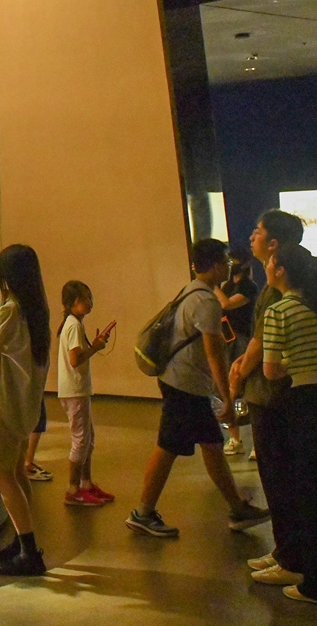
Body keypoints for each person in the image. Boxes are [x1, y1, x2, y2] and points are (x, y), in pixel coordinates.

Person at [125, 238, 270, 538]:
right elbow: (214, 354)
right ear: (217, 265)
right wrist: (227, 396)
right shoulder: (205, 302)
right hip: (186, 386)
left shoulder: (190, 291)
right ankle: (143, 512)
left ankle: (236, 507)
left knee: (211, 446)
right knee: (168, 447)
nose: (228, 268)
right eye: (225, 262)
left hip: (180, 382)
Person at [230, 210, 306, 582]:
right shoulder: (276, 288)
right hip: (272, 395)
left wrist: (238, 374)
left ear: (274, 244)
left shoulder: (277, 292)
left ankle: (293, 559)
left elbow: (261, 345)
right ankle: (285, 551)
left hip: (272, 396)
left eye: (257, 231)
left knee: (280, 479)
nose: (251, 237)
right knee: (280, 479)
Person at [0, 244, 51, 576]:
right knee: (17, 473)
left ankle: (29, 551)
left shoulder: (12, 311)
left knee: (5, 475)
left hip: (2, 408)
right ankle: (23, 541)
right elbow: (8, 346)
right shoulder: (34, 311)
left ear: (6, 277)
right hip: (21, 409)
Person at [260, 243, 317, 603]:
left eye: (270, 262)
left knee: (306, 490)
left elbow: (271, 370)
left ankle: (311, 581)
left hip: (303, 401)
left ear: (280, 270)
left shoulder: (278, 311)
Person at [56, 280, 116, 507]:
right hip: (74, 390)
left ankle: (87, 484)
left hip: (76, 389)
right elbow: (75, 359)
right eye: (84, 299)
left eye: (89, 297)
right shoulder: (73, 326)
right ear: (72, 303)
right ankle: (73, 489)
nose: (89, 303)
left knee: (87, 439)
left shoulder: (72, 324)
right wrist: (96, 348)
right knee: (81, 440)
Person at [215, 244, 258, 454]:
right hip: (227, 339)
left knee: (244, 387)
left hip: (241, 340)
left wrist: (211, 285)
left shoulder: (249, 287)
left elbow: (228, 304)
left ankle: (257, 444)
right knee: (228, 389)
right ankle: (235, 439)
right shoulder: (227, 285)